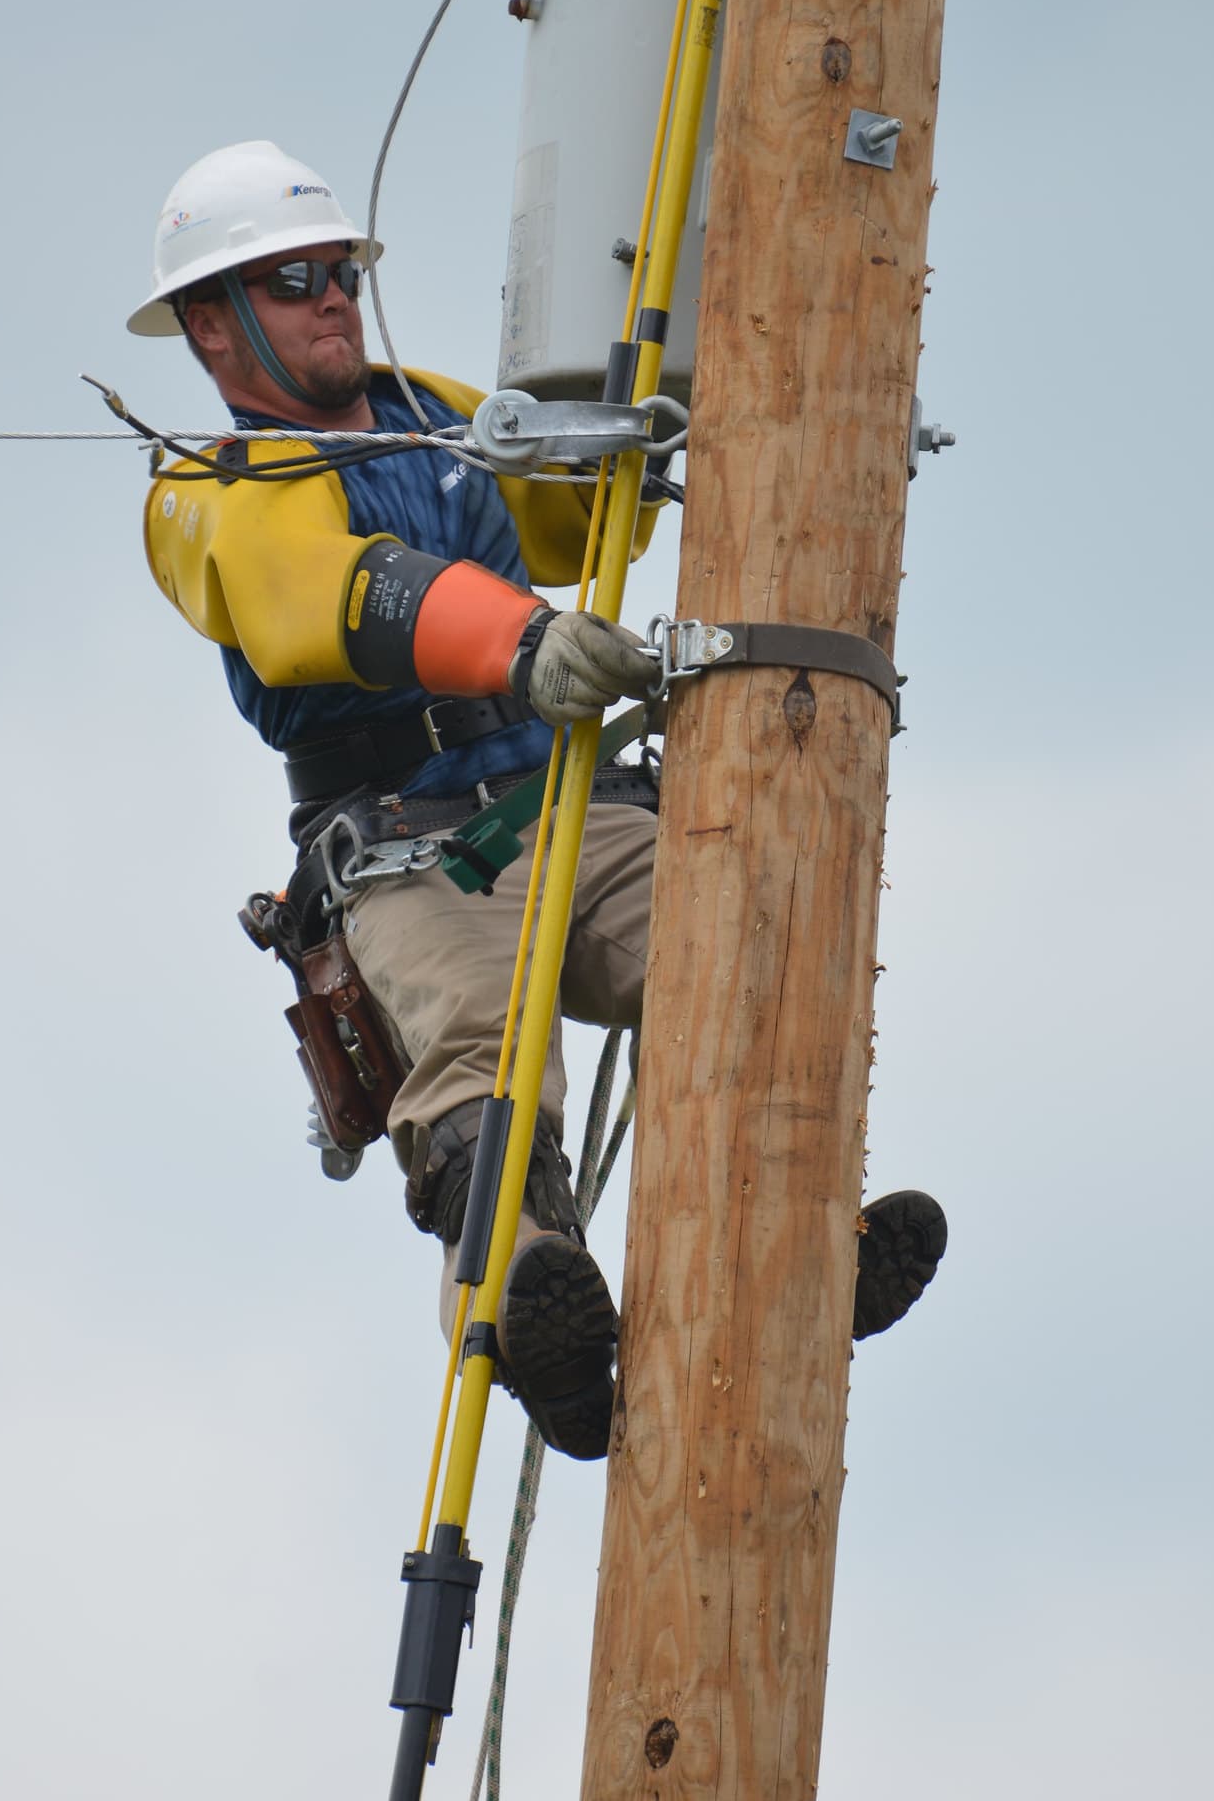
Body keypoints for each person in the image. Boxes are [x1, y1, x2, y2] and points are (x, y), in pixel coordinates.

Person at [130, 139, 947, 1459]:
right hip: (411, 856)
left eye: (339, 269)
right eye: (292, 282)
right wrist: (518, 646)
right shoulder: (203, 494)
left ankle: (797, 1253)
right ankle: (540, 1318)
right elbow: (311, 600)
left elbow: (590, 510)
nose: (334, 296)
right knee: (481, 1060)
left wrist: (699, 404)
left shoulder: (444, 412)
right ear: (213, 331)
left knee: (751, 940)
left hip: (557, 799)